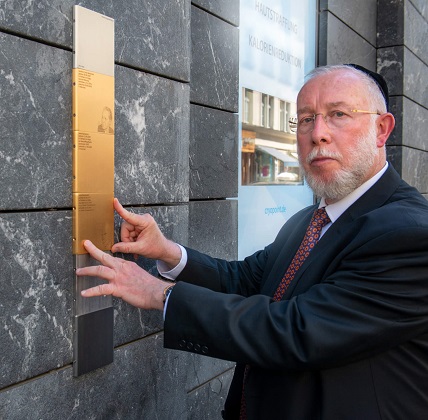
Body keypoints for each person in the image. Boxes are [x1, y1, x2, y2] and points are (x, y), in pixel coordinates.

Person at [76, 64, 428, 419]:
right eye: (306, 119)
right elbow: (245, 281)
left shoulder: (410, 233)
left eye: (338, 114)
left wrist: (158, 293)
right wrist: (166, 252)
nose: (318, 133)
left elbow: (298, 330)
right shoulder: (310, 219)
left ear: (381, 130)